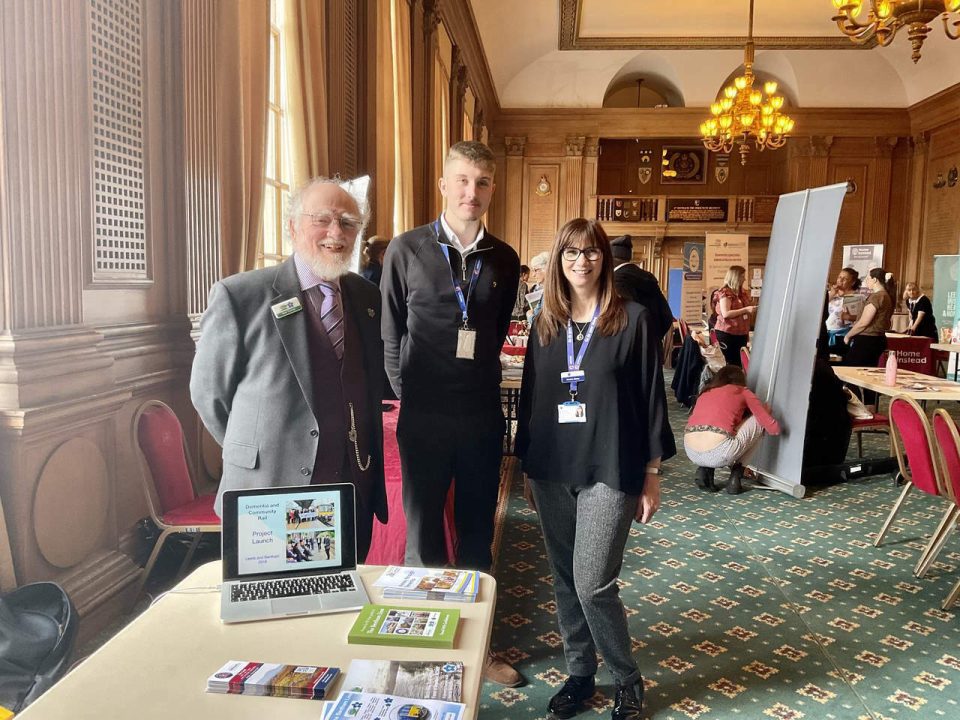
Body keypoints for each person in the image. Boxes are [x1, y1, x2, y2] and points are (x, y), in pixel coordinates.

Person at [516, 218, 671, 720]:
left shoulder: (633, 318)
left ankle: (627, 678)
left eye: (591, 252)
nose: (581, 261)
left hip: (611, 463)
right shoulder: (545, 320)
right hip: (552, 466)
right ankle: (580, 672)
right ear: (558, 260)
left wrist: (652, 472)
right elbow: (532, 398)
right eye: (571, 253)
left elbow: (652, 398)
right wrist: (526, 463)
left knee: (592, 582)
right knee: (564, 578)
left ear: (605, 259)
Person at [381, 140, 523, 687]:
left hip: (482, 415)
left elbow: (494, 327)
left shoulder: (504, 259)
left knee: (474, 532)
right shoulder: (407, 249)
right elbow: (391, 332)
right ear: (443, 185)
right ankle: (425, 645)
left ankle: (478, 646)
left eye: (482, 183)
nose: (472, 192)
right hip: (424, 415)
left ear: (492, 188)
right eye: (462, 180)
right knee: (423, 536)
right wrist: (410, 395)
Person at [190, 177, 388, 562]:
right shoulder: (241, 296)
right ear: (293, 227)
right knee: (277, 612)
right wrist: (258, 451)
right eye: (323, 220)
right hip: (273, 495)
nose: (336, 233)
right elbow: (209, 395)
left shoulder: (367, 297)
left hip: (352, 490)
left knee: (341, 603)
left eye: (348, 223)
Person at [683, 365, 781, 495]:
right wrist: (766, 412)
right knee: (759, 421)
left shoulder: (705, 392)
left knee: (720, 428)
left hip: (691, 452)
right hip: (720, 452)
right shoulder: (743, 391)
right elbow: (773, 429)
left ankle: (705, 469)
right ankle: (737, 474)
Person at [610, 235, 674, 341]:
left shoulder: (617, 280)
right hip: (653, 348)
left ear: (611, 260)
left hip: (631, 350)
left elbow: (624, 321)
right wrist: (653, 338)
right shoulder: (648, 277)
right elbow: (666, 316)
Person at [842, 267, 895, 367]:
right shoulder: (887, 296)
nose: (866, 281)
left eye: (868, 278)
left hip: (867, 340)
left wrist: (848, 335)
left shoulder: (877, 296)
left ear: (875, 280)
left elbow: (864, 322)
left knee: (852, 371)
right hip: (878, 339)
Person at [713, 265, 756, 367]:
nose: (745, 279)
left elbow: (746, 307)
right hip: (727, 333)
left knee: (739, 364)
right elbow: (726, 313)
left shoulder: (742, 292)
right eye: (742, 276)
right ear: (735, 277)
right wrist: (745, 310)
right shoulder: (725, 292)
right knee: (731, 365)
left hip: (741, 333)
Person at [825, 267, 863, 350]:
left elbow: (862, 318)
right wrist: (832, 294)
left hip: (844, 336)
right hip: (827, 334)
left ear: (852, 282)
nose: (840, 280)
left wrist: (849, 317)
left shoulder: (857, 297)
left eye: (844, 279)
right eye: (839, 277)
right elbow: (820, 309)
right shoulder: (829, 294)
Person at [525, 252, 549, 322]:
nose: (533, 275)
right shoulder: (547, 290)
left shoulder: (551, 292)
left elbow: (543, 325)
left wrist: (529, 316)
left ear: (546, 269)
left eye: (535, 270)